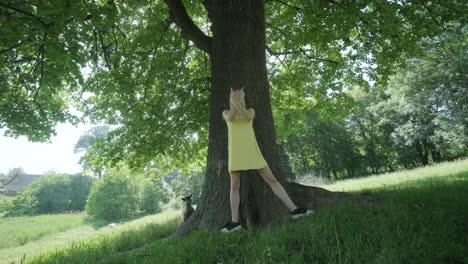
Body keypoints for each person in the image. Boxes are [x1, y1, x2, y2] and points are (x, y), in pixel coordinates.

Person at [220, 87, 312, 233]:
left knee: (272, 180)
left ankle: (295, 210)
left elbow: (247, 116)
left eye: (240, 96)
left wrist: (236, 100)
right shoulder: (226, 113)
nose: (237, 97)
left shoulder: (250, 111)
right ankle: (235, 222)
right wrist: (234, 100)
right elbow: (231, 116)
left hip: (252, 151)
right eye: (235, 96)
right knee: (234, 187)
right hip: (236, 153)